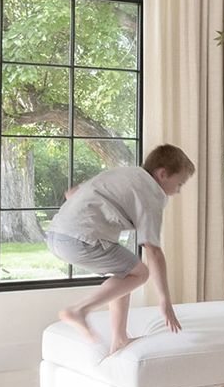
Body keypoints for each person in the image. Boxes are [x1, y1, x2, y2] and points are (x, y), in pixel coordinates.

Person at [47, 144, 195, 355]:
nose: (178, 191)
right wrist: (165, 301)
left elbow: (72, 193)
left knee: (126, 273)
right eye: (179, 184)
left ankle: (120, 338)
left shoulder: (126, 173)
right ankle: (79, 310)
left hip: (56, 234)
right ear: (162, 174)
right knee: (140, 272)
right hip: (79, 239)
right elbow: (153, 251)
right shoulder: (151, 194)